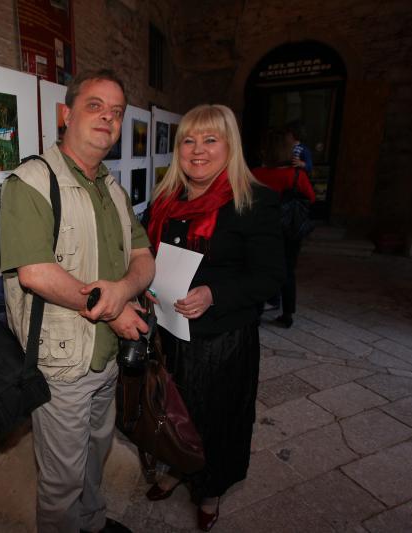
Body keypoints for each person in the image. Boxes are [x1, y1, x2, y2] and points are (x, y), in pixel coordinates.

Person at [0, 70, 155, 533]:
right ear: (66, 114)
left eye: (116, 112)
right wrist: (114, 307)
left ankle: (93, 523)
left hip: (106, 357)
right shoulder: (31, 182)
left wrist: (123, 293)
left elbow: (144, 259)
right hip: (62, 362)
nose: (107, 118)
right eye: (95, 106)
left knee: (96, 453)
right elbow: (37, 274)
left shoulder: (113, 188)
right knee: (61, 479)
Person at [143, 105, 284, 531]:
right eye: (189, 140)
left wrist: (214, 293)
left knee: (218, 417)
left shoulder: (254, 202)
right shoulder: (165, 201)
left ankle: (210, 489)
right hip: (169, 332)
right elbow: (149, 258)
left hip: (223, 338)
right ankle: (175, 467)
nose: (197, 150)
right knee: (170, 408)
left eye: (210, 140)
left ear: (229, 146)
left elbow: (270, 276)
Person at [252, 130, 316, 328]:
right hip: (290, 231)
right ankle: (287, 314)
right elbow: (311, 198)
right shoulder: (296, 175)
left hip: (262, 230)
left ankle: (257, 311)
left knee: (260, 269)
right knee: (288, 271)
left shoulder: (257, 174)